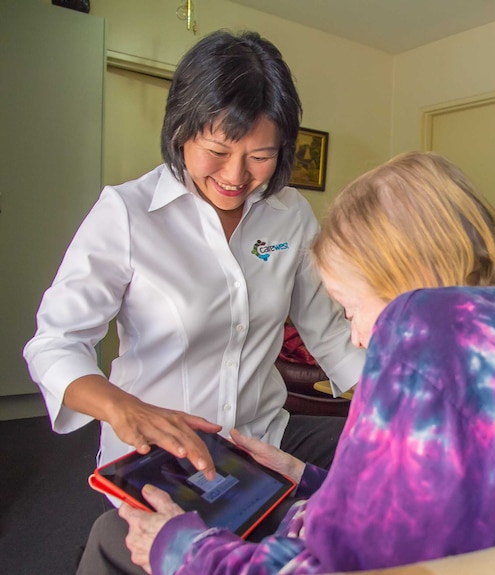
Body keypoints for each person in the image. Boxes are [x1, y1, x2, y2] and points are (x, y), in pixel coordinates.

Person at [119, 151, 495, 575]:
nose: (359, 337)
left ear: (405, 276)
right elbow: (431, 503)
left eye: (351, 308)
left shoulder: (436, 328)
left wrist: (182, 551)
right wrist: (303, 480)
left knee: (122, 538)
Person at [22, 29, 364, 572]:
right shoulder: (127, 214)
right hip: (164, 453)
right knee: (129, 544)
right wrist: (122, 408)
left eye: (260, 158)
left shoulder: (289, 214)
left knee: (375, 461)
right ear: (182, 130)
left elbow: (328, 332)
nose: (235, 177)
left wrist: (392, 405)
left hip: (263, 438)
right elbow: (55, 343)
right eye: (218, 152)